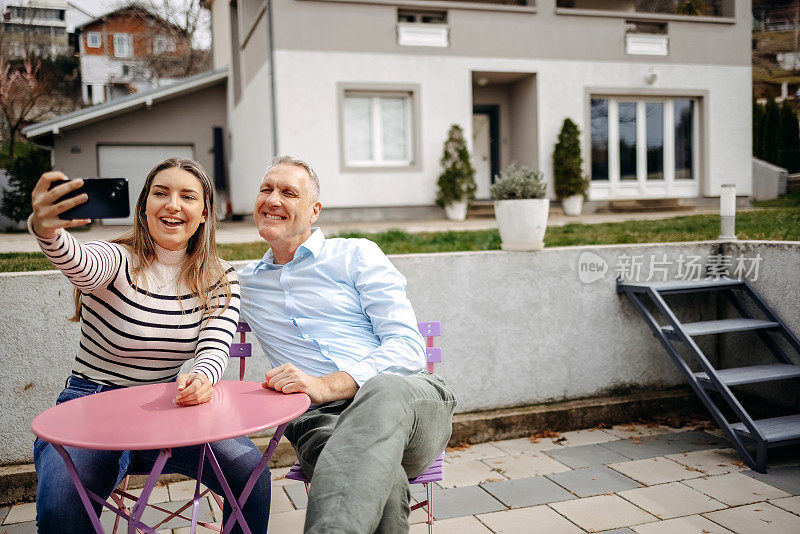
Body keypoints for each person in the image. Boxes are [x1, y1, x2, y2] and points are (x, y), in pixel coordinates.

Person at [29, 159, 270, 534]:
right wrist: (47, 232)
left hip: (168, 407)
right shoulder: (116, 259)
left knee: (251, 473)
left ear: (204, 213)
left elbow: (214, 347)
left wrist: (202, 378)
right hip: (93, 407)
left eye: (187, 196)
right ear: (144, 205)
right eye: (161, 193)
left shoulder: (219, 276)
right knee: (62, 509)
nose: (173, 205)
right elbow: (78, 262)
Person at [239, 155, 457, 533]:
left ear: (314, 210)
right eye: (266, 189)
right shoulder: (242, 282)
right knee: (372, 476)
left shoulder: (357, 254)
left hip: (405, 402)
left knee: (383, 389)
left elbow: (407, 347)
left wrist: (325, 385)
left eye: (288, 192)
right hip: (321, 422)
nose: (273, 199)